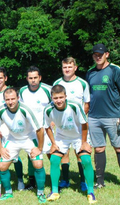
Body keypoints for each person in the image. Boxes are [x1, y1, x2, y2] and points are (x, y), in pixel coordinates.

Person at [86, 43, 120, 192]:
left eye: (101, 54)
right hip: (94, 117)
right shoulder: (90, 72)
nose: (98, 57)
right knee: (99, 149)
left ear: (107, 54)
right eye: (95, 55)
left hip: (112, 116)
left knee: (119, 147)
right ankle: (100, 181)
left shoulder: (114, 70)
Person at [0, 88, 47, 203]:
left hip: (29, 138)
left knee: (38, 164)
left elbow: (39, 129)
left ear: (18, 98)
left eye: (13, 99)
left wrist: (39, 148)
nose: (10, 102)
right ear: (4, 100)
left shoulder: (25, 109)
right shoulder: (1, 110)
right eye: (7, 99)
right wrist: (1, 148)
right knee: (2, 166)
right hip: (13, 139)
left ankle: (40, 193)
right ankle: (8, 192)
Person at [44, 85, 96, 203]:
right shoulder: (48, 109)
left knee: (86, 160)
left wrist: (84, 143)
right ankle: (55, 191)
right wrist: (53, 143)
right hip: (62, 137)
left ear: (66, 96)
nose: (59, 100)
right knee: (54, 160)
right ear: (51, 98)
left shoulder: (75, 106)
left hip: (79, 135)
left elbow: (84, 124)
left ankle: (91, 192)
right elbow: (47, 127)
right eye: (55, 98)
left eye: (61, 97)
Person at [53, 57, 90, 191]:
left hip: (78, 126)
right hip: (63, 125)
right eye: (64, 67)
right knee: (64, 152)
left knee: (79, 152)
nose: (67, 69)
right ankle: (65, 179)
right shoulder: (57, 83)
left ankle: (83, 181)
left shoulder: (83, 83)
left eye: (70, 67)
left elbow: (86, 104)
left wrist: (80, 120)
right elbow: (54, 104)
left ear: (75, 67)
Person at [0, 67, 24, 191]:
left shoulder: (11, 92)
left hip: (10, 130)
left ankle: (19, 180)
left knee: (14, 157)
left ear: (5, 78)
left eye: (0, 78)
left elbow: (19, 111)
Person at [19, 66, 52, 190]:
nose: (33, 80)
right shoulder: (22, 91)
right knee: (31, 154)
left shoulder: (48, 90)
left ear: (40, 78)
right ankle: (32, 181)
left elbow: (54, 106)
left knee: (51, 153)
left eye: (35, 78)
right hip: (30, 130)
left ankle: (58, 179)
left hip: (45, 128)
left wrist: (52, 122)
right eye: (30, 78)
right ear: (27, 79)